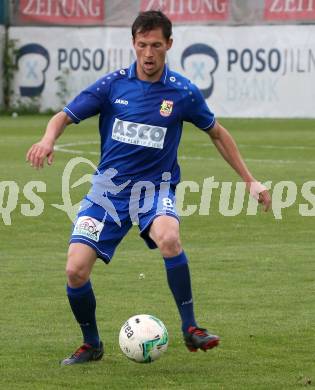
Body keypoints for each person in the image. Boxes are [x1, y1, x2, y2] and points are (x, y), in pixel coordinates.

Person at [26, 10, 271, 365]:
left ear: (169, 44)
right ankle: (92, 343)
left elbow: (217, 133)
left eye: (156, 45)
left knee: (169, 237)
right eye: (142, 45)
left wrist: (249, 180)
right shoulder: (113, 85)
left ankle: (191, 329)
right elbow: (63, 115)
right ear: (134, 44)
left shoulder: (182, 92)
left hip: (154, 191)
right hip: (108, 192)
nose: (149, 53)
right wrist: (48, 139)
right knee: (75, 270)